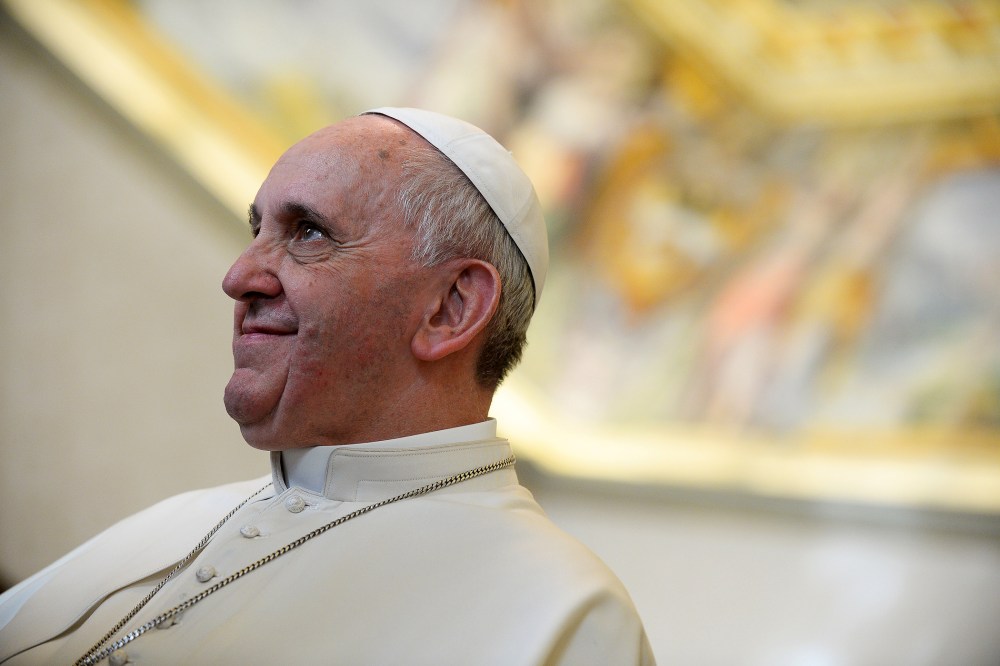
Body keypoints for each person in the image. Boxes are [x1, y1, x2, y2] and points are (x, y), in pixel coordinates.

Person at [0, 108, 654, 665]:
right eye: (256, 230)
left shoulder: (563, 617)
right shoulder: (185, 518)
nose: (239, 277)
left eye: (307, 233)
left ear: (451, 308)